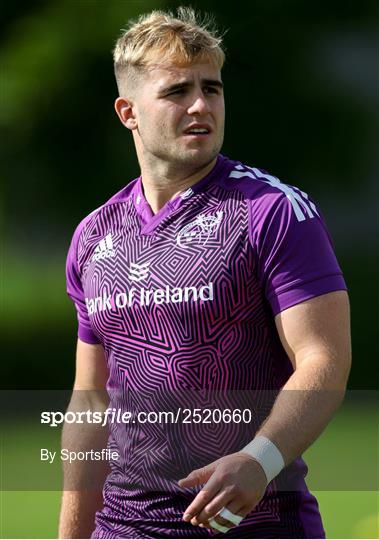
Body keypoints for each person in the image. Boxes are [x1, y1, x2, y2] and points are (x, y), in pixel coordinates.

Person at [59, 7, 351, 539]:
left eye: (211, 89)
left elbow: (323, 359)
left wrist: (260, 460)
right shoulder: (93, 236)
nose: (201, 105)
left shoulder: (272, 210)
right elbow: (90, 401)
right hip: (123, 528)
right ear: (128, 112)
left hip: (254, 525)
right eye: (176, 92)